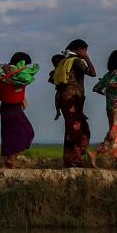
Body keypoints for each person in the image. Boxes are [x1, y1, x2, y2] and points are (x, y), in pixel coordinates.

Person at [0, 52, 38, 167]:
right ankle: (11, 159)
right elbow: (11, 83)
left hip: (8, 106)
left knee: (11, 133)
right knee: (26, 132)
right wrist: (11, 76)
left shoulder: (7, 71)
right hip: (12, 107)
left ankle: (11, 159)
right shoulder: (9, 73)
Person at [51, 39, 96, 168]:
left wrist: (57, 107)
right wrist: (86, 58)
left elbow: (58, 87)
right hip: (73, 99)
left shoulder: (64, 63)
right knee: (76, 130)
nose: (86, 52)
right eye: (84, 50)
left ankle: (70, 160)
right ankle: (75, 160)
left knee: (73, 130)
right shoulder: (76, 62)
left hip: (67, 100)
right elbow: (93, 73)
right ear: (78, 49)